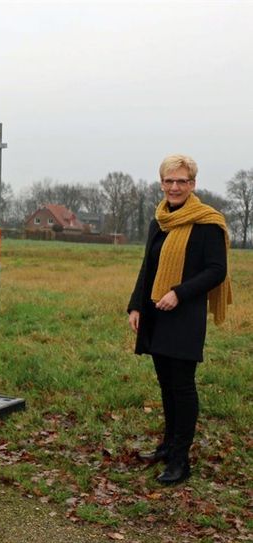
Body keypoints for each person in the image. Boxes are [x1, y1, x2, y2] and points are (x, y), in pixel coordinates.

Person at [127, 154, 231, 485]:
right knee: (165, 384)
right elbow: (149, 267)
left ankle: (180, 460)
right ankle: (168, 446)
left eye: (182, 181)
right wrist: (135, 306)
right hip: (156, 312)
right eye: (169, 181)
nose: (175, 187)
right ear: (161, 183)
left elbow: (217, 270)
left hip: (185, 314)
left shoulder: (207, 222)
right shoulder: (157, 221)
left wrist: (180, 293)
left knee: (182, 386)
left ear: (193, 184)